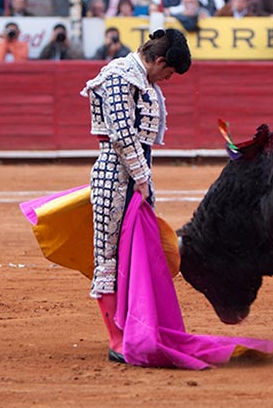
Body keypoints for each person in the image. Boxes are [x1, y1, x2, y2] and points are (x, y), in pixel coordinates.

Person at [80, 28, 192, 363]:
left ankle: (135, 328)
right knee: (109, 257)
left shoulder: (141, 79)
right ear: (159, 61)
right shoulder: (118, 75)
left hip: (136, 175)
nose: (167, 79)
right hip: (114, 177)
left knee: (135, 254)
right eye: (169, 73)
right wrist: (142, 177)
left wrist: (143, 179)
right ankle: (116, 339)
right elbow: (121, 134)